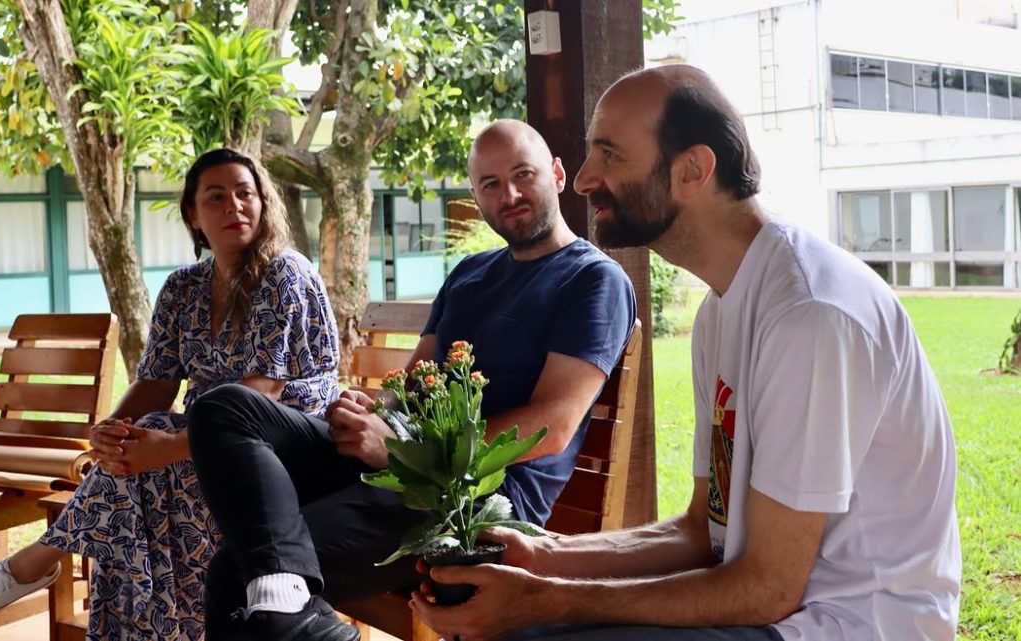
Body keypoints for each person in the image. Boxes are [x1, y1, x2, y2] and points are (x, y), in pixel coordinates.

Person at [411, 65, 962, 641]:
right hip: (773, 606)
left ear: (692, 170)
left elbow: (768, 589)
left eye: (610, 154)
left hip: (844, 623)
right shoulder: (722, 309)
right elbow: (704, 531)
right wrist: (546, 556)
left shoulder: (810, 314)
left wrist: (547, 599)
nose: (583, 179)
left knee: (529, 630)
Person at [186, 119, 637, 641]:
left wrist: (399, 450)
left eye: (522, 174)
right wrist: (370, 414)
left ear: (556, 175)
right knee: (223, 409)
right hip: (402, 468)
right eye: (490, 184)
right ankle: (298, 612)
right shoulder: (470, 274)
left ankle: (296, 612)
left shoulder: (592, 279)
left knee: (238, 573)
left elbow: (550, 428)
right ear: (476, 196)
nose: (509, 194)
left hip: (471, 501)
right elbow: (412, 385)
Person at [0, 148, 342, 641]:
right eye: (217, 196)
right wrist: (112, 431)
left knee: (162, 457)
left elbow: (260, 394)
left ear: (262, 203)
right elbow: (157, 381)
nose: (234, 205)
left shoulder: (284, 274)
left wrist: (165, 447)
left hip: (291, 443)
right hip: (210, 441)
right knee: (140, 454)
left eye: (245, 193)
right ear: (193, 214)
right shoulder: (183, 288)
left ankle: (33, 565)